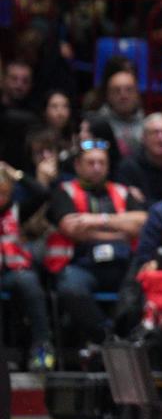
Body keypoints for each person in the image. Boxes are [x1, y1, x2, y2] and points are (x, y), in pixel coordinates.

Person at [46, 142, 147, 349]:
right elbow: (72, 228)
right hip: (82, 264)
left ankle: (127, 337)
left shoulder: (122, 191)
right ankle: (106, 337)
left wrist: (97, 220)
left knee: (145, 282)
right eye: (90, 163)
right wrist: (121, 231)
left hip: (122, 265)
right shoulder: (65, 192)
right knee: (70, 288)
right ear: (77, 165)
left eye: (102, 163)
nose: (97, 167)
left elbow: (143, 223)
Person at [0, 165, 54, 371]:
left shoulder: (16, 210)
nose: (0, 198)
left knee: (29, 281)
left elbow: (43, 193)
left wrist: (16, 174)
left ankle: (42, 348)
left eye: (4, 193)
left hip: (12, 273)